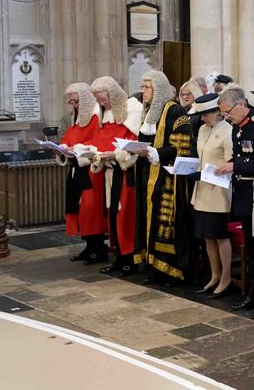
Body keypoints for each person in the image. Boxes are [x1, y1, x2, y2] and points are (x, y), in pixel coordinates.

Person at [215, 88, 254, 318]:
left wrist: (235, 166)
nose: (226, 117)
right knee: (250, 249)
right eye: (223, 114)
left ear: (241, 105)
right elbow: (242, 157)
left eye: (227, 112)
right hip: (244, 193)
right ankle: (252, 295)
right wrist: (228, 164)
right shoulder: (238, 128)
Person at [130, 70, 194, 283]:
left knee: (167, 223)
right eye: (143, 87)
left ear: (158, 90)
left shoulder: (175, 111)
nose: (144, 91)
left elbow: (182, 147)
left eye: (147, 87)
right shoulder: (149, 113)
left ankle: (172, 270)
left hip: (169, 178)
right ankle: (155, 266)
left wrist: (156, 152)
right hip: (148, 174)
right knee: (150, 219)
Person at [89, 76, 143, 276]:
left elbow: (133, 145)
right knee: (112, 216)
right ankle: (118, 257)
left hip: (126, 173)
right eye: (100, 101)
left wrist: (115, 155)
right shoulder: (104, 116)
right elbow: (99, 142)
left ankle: (129, 260)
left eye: (104, 99)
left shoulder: (131, 113)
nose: (102, 103)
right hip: (110, 172)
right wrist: (95, 156)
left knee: (125, 216)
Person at [185, 93, 234, 297]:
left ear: (217, 111)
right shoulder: (203, 129)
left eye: (206, 114)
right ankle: (214, 275)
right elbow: (202, 156)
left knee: (220, 236)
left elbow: (230, 164)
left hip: (218, 190)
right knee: (207, 237)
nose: (203, 118)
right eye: (201, 115)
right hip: (203, 190)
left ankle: (226, 277)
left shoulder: (228, 131)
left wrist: (204, 173)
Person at [58, 83, 106, 264]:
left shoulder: (95, 119)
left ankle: (98, 249)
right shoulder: (76, 120)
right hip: (76, 170)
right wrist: (62, 149)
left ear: (85, 100)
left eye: (76, 102)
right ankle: (89, 246)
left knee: (90, 210)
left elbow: (96, 144)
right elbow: (68, 137)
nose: (74, 106)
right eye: (71, 102)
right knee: (78, 209)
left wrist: (76, 149)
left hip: (91, 172)